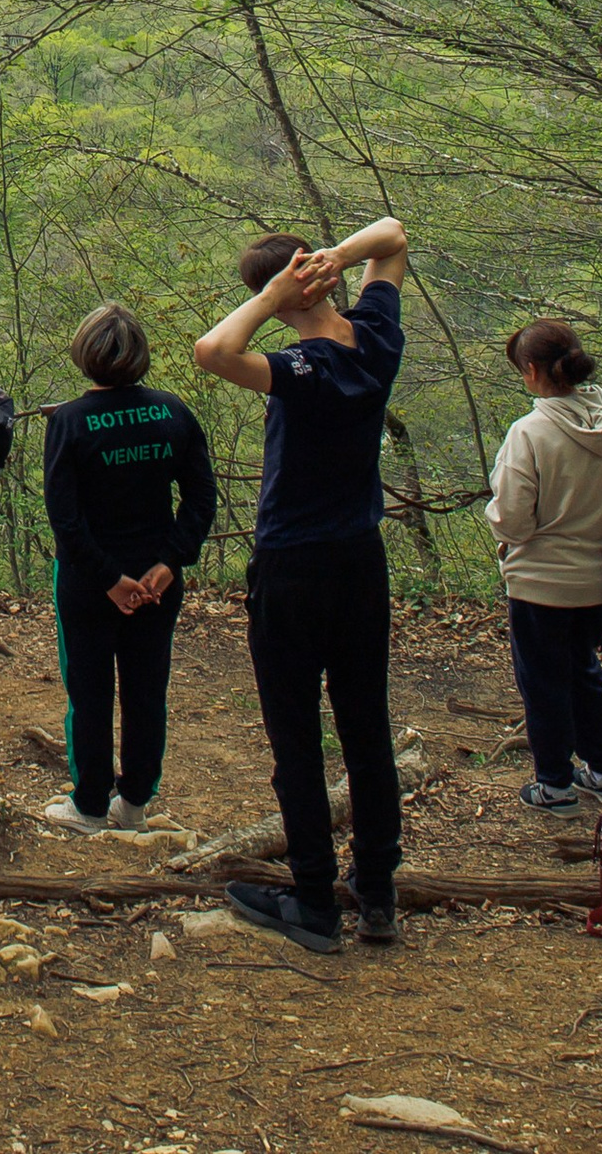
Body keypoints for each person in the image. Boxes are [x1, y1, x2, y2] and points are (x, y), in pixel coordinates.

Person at [194, 215, 409, 953]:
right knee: (365, 728)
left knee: (297, 737)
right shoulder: (375, 338)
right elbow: (393, 235)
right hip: (360, 560)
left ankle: (315, 900)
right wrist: (336, 260)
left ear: (278, 293)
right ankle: (377, 894)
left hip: (293, 567)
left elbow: (213, 351)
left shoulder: (302, 368)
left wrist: (271, 297)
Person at [40, 303, 217, 834]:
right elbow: (202, 498)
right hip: (158, 581)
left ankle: (90, 805)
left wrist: (109, 579)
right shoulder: (173, 412)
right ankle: (135, 802)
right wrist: (170, 562)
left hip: (89, 583)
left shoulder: (69, 422)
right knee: (146, 690)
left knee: (89, 692)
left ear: (84, 354)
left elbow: (64, 518)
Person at [487, 318, 602, 810]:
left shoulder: (530, 431)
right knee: (584, 670)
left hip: (541, 583)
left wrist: (498, 520)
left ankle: (554, 784)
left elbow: (512, 520)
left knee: (544, 681)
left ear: (531, 370)